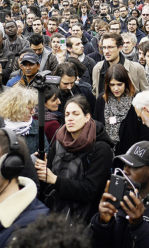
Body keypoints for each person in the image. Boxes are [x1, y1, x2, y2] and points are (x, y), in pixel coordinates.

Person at [89, 141, 149, 248]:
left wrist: (139, 225)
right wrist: (102, 223)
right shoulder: (119, 196)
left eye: (133, 166)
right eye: (125, 165)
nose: (125, 171)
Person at [35, 95, 114, 224]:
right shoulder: (58, 143)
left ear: (87, 117)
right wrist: (42, 168)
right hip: (54, 215)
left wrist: (55, 179)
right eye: (67, 114)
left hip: (84, 220)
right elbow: (47, 186)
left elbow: (90, 190)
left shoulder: (101, 148)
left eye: (76, 114)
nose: (70, 118)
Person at [92, 63, 149, 154]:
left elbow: (144, 133)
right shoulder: (102, 100)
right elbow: (96, 127)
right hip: (107, 153)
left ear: (126, 83)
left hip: (131, 153)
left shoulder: (137, 100)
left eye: (119, 84)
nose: (116, 88)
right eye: (112, 85)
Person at [92, 32, 149, 96]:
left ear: (120, 48)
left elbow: (146, 95)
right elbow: (95, 93)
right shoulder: (97, 68)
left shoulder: (136, 68)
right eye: (104, 48)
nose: (106, 51)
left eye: (110, 47)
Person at [0, 85, 43, 157]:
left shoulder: (36, 127)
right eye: (30, 108)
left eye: (34, 108)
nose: (33, 112)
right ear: (16, 109)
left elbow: (45, 151)